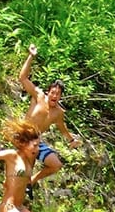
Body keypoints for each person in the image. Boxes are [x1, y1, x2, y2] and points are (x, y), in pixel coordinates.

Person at [19, 43, 82, 193]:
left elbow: (62, 129)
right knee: (29, 156)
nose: (54, 96)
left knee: (56, 165)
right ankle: (20, 183)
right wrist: (31, 56)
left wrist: (72, 141)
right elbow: (22, 78)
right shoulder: (39, 96)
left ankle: (31, 182)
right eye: (53, 92)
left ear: (60, 97)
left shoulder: (58, 112)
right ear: (48, 92)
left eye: (58, 94)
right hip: (23, 135)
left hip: (35, 142)